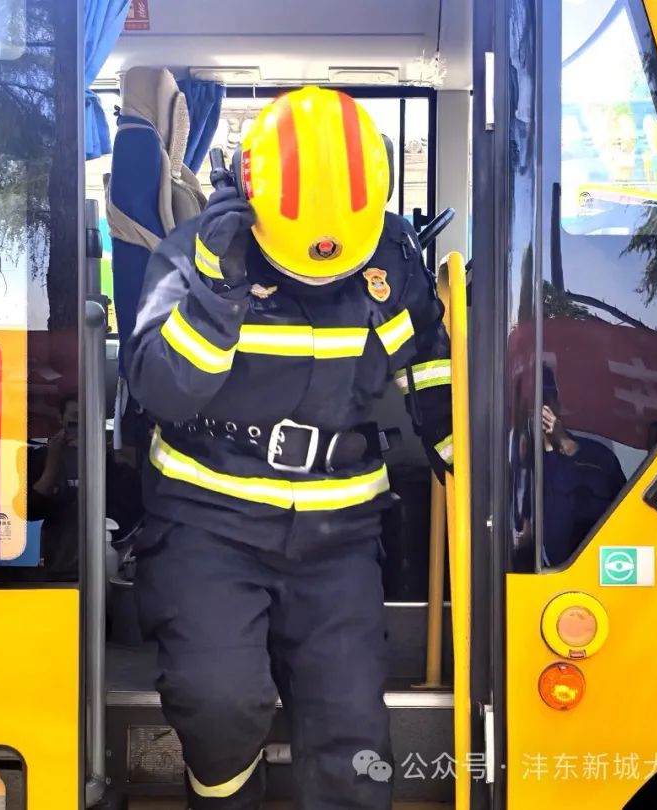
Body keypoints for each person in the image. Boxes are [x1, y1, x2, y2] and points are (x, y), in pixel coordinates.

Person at [123, 87, 453, 809]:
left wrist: (466, 450)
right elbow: (160, 391)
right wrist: (216, 298)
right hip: (208, 523)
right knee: (218, 701)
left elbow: (428, 362)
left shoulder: (390, 257)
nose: (324, 272)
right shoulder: (199, 255)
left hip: (339, 533)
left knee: (351, 732)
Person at [539, 365, 627, 566]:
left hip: (592, 568)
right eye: (531, 403)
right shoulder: (510, 464)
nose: (540, 411)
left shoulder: (597, 457)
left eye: (546, 400)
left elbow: (622, 515)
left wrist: (565, 444)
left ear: (557, 403)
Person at [27, 395, 80, 578]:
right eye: (74, 416)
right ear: (61, 418)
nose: (80, 422)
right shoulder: (40, 457)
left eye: (86, 416)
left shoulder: (105, 459)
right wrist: (53, 460)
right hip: (57, 563)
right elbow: (31, 511)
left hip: (100, 552)